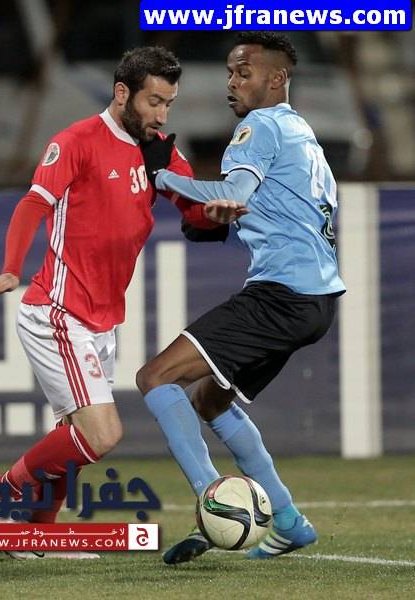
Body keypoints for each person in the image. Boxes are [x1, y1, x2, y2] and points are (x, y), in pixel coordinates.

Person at [0, 46, 244, 560]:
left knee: (73, 433)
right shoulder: (76, 142)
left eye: (169, 104)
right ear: (122, 93)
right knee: (101, 434)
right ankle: (3, 490)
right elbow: (33, 203)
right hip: (59, 311)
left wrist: (216, 215)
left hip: (102, 320)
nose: (162, 115)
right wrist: (11, 266)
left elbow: (193, 210)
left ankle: (40, 533)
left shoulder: (159, 153)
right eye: (153, 102)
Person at [136, 31, 346, 564]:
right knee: (209, 400)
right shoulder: (301, 132)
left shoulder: (261, 126)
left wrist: (162, 175)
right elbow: (259, 209)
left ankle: (216, 502)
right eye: (230, 72)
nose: (231, 82)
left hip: (281, 295)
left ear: (276, 79)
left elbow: (232, 193)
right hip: (315, 301)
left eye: (243, 72)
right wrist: (213, 215)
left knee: (156, 378)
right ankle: (290, 523)